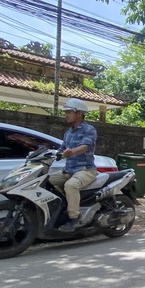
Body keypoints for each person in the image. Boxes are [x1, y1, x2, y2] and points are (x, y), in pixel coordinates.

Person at [49, 98, 98, 231]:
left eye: (69, 112)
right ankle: (61, 210)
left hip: (86, 170)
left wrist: (72, 152)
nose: (66, 115)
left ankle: (74, 219)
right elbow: (61, 149)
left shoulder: (89, 130)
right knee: (46, 181)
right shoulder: (68, 133)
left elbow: (85, 147)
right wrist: (48, 154)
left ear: (79, 113)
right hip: (69, 170)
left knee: (70, 185)